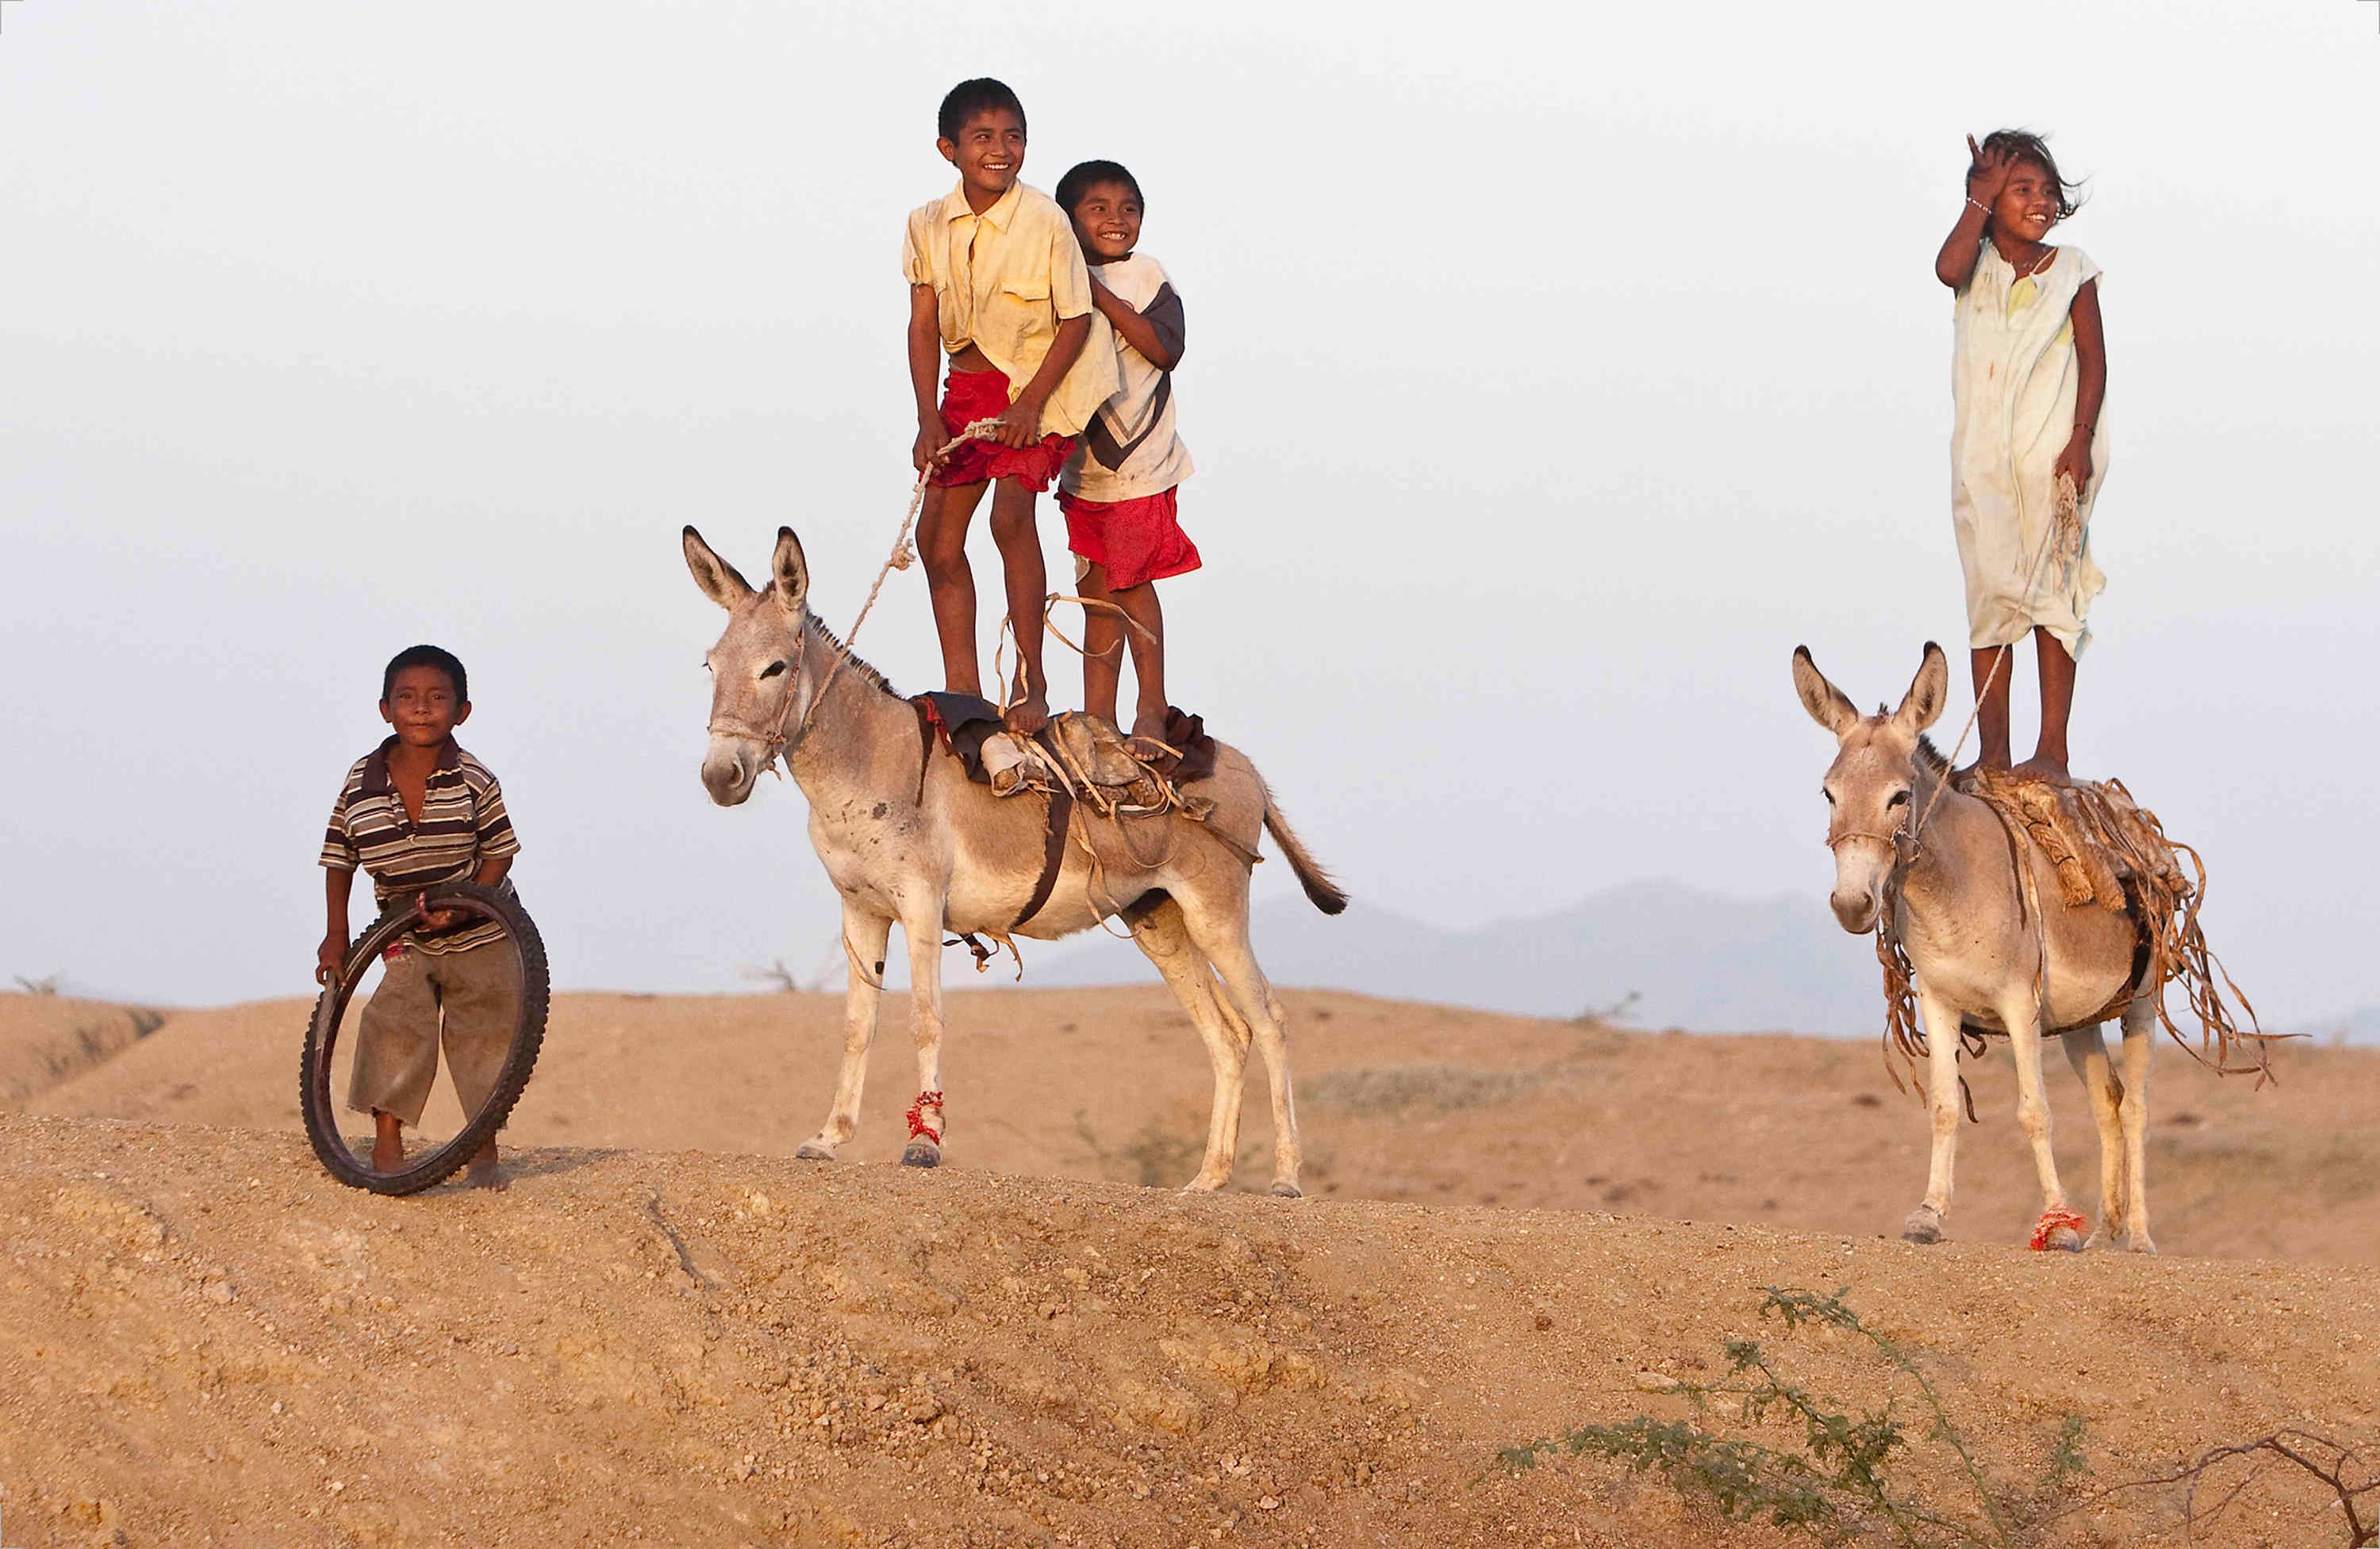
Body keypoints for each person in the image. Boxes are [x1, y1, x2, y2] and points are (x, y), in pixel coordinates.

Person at [902, 78, 1119, 735]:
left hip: (1043, 386)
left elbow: (1076, 321)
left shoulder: (1044, 220)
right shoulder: (927, 224)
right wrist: (927, 418)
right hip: (966, 392)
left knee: (1009, 517)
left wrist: (1028, 405)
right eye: (984, 138)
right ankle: (963, 689)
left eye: (1014, 137)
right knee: (935, 540)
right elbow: (922, 325)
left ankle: (1030, 683)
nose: (1001, 150)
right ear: (949, 148)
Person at [1935, 129, 2108, 784]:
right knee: (1989, 602)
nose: (2038, 202)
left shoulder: (2073, 270)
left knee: (2051, 598)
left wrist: (2080, 439)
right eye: (2020, 189)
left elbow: (2094, 361)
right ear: (1989, 197)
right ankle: (1995, 753)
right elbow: (1946, 268)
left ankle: (2053, 751)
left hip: (2050, 461)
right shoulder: (1972, 267)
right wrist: (1976, 197)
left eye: (2046, 191)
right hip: (1981, 467)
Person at [317, 645, 522, 1189]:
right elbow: (340, 858)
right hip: (404, 930)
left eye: (437, 698)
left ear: (463, 711)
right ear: (385, 709)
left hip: (482, 930)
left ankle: (483, 1151)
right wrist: (336, 935)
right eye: (407, 698)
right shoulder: (361, 782)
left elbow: (501, 850)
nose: (422, 709)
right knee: (394, 1021)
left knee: (484, 1035)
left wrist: (465, 901)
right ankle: (388, 1145)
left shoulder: (475, 778)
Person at [1053, 159, 1200, 745]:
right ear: (1067, 221)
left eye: (1128, 209)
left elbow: (1164, 348)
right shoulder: (1057, 278)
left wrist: (1102, 298)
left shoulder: (1147, 278)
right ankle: (1098, 719)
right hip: (1085, 468)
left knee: (1133, 583)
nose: (1117, 220)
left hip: (1141, 462)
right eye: (1099, 209)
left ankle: (1150, 705)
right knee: (1095, 592)